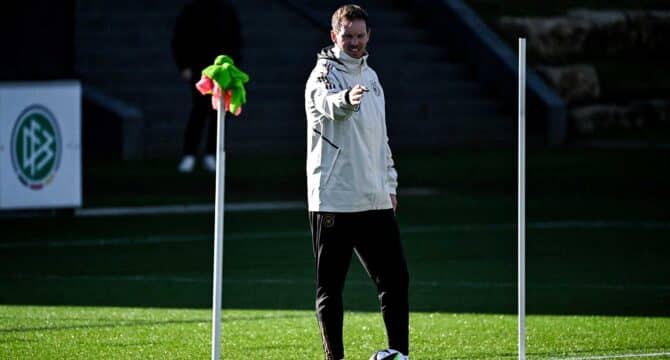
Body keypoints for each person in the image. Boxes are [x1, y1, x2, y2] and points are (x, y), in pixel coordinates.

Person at [304, 5, 409, 360]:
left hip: (375, 197)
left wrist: (390, 184)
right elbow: (330, 105)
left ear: (368, 36)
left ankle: (399, 354)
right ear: (334, 36)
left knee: (395, 280)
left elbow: (382, 139)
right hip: (334, 199)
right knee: (330, 288)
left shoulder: (374, 78)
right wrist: (348, 99)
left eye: (360, 36)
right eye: (347, 36)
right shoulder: (322, 75)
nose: (354, 42)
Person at [171, 0, 242, 172]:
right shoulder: (192, 10)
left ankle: (212, 153)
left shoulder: (226, 11)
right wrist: (183, 65)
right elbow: (180, 38)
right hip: (199, 67)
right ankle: (189, 154)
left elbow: (235, 40)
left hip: (222, 70)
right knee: (199, 110)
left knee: (218, 111)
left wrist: (232, 67)